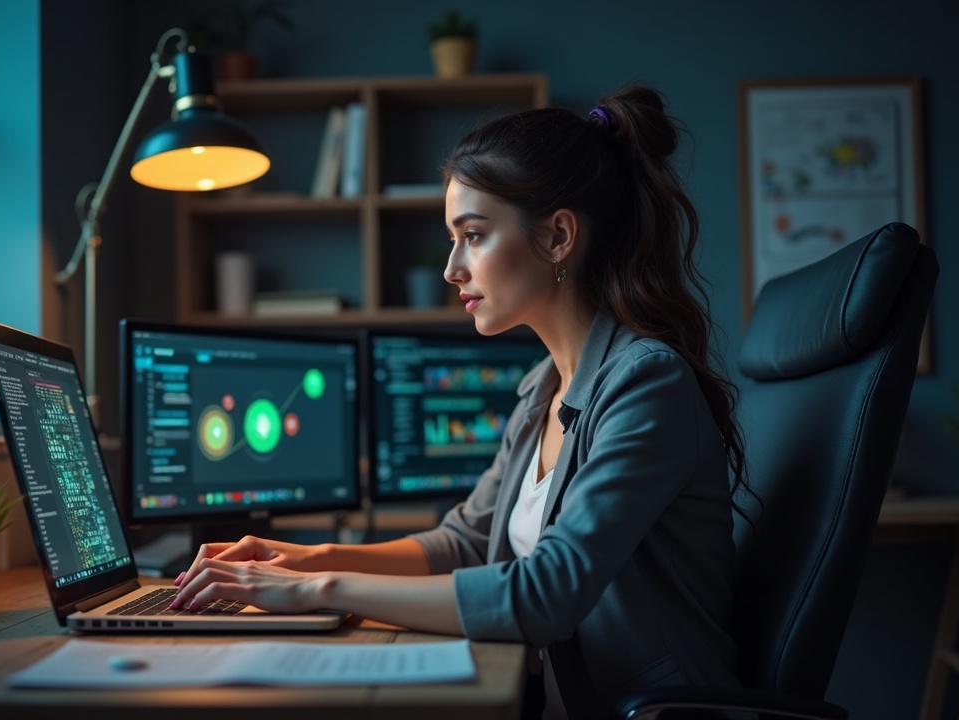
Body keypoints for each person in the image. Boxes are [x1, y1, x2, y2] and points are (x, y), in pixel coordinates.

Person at [171, 85, 750, 719]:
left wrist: (312, 589)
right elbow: (467, 542)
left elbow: (544, 594)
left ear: (558, 237)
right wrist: (305, 556)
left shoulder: (646, 384)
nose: (452, 268)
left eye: (472, 235)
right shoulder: (543, 387)